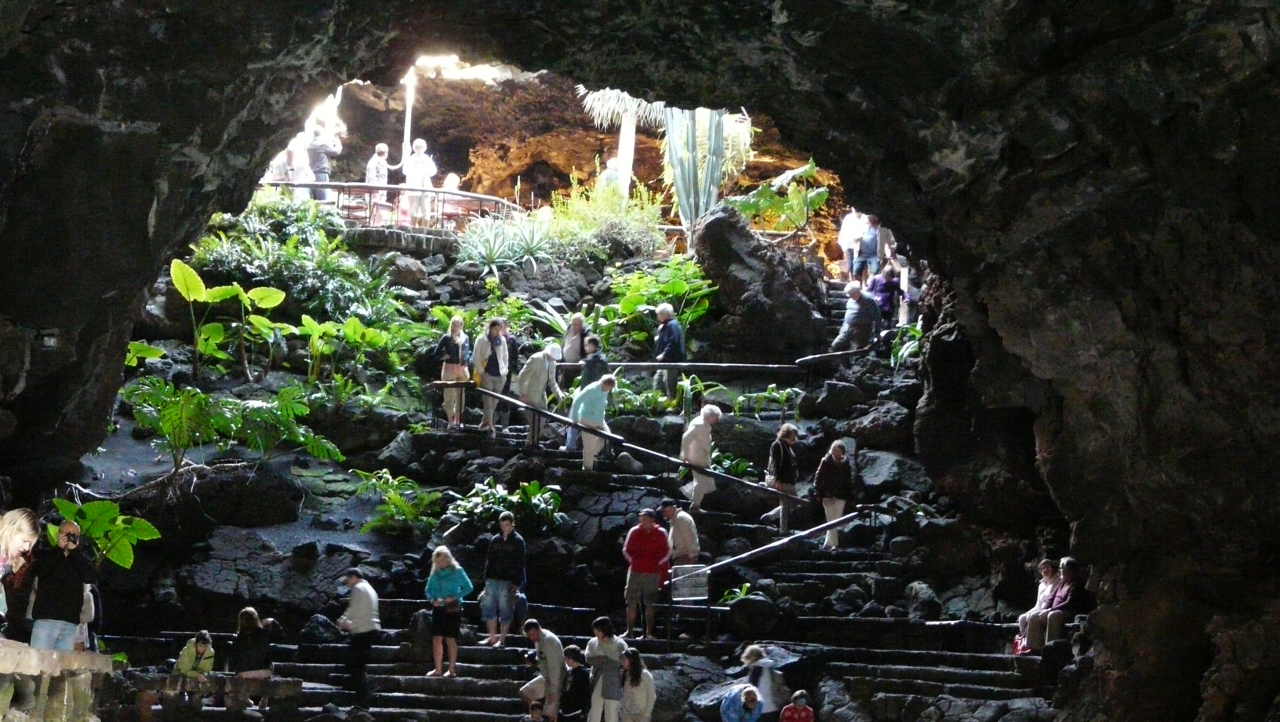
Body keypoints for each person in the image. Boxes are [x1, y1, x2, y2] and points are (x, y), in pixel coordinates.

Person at [29, 520, 97, 650]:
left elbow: (91, 577)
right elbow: (40, 571)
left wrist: (74, 552)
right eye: (67, 533)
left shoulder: (81, 558)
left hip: (70, 623)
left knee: (61, 668)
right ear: (59, 534)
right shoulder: (46, 554)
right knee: (38, 663)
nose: (70, 537)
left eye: (74, 535)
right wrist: (59, 550)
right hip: (46, 620)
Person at [1026, 557, 1093, 651]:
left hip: (1067, 612)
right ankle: (1033, 648)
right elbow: (1051, 598)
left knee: (1053, 615)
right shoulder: (1062, 583)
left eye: (1062, 568)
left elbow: (1069, 603)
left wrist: (1050, 610)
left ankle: (1050, 649)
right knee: (1034, 616)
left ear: (1070, 570)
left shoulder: (1076, 584)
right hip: (1054, 610)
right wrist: (1043, 609)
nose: (1060, 570)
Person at [425, 545, 473, 677]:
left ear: (448, 558)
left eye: (443, 560)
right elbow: (428, 590)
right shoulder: (435, 573)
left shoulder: (458, 571)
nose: (441, 563)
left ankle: (451, 669)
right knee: (436, 638)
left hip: (453, 608)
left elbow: (468, 587)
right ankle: (438, 669)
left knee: (450, 638)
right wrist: (432, 600)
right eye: (438, 561)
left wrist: (454, 597)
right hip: (438, 607)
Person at [481, 512, 526, 648]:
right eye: (502, 525)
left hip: (508, 581)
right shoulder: (495, 539)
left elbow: (520, 563)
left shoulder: (518, 541)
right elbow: (489, 560)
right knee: (489, 609)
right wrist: (486, 580)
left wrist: (517, 583)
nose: (504, 527)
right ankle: (492, 637)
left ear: (512, 524)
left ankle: (502, 639)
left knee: (506, 610)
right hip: (492, 579)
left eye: (507, 525)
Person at [622, 510, 669, 640]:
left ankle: (648, 633)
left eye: (645, 519)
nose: (642, 522)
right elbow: (626, 549)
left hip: (653, 572)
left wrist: (658, 564)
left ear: (652, 520)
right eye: (641, 519)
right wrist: (633, 562)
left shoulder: (661, 532)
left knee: (650, 603)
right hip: (635, 570)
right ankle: (629, 631)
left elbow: (667, 551)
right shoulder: (634, 531)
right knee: (631, 601)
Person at [336, 567, 380, 704]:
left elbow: (353, 609)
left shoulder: (358, 588)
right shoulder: (370, 588)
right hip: (371, 628)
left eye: (348, 580)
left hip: (362, 630)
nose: (347, 584)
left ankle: (365, 695)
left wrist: (342, 621)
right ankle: (365, 693)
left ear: (354, 577)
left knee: (355, 664)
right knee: (358, 664)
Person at [566, 336, 610, 451]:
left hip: (588, 394)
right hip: (593, 395)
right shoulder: (598, 360)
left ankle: (571, 445)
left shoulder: (594, 361)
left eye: (587, 345)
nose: (585, 347)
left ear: (593, 346)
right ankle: (604, 448)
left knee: (575, 416)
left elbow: (592, 377)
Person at [517, 341, 564, 448]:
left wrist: (559, 395)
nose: (553, 359)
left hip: (541, 397)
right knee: (535, 423)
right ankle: (529, 445)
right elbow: (522, 376)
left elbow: (552, 382)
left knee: (541, 423)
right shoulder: (536, 359)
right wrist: (523, 394)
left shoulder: (553, 363)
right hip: (530, 396)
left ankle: (530, 444)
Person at [570, 375, 617, 471]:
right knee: (588, 446)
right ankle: (587, 469)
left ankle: (593, 455)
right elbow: (577, 401)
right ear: (605, 384)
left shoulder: (606, 390)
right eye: (609, 388)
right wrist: (575, 419)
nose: (610, 390)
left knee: (607, 437)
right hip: (588, 419)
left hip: (599, 419)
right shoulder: (592, 389)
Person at [814, 440, 856, 549]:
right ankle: (835, 545)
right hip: (827, 495)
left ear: (842, 452)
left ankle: (827, 544)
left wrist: (850, 494)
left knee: (836, 520)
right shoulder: (826, 461)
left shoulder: (846, 464)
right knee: (830, 520)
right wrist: (818, 492)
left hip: (841, 495)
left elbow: (848, 480)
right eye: (833, 449)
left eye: (837, 450)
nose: (835, 452)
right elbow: (818, 477)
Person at [680, 404, 722, 513]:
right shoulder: (699, 424)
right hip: (697, 457)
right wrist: (685, 456)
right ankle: (694, 505)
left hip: (701, 456)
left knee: (707, 482)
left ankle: (693, 502)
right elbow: (686, 438)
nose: (717, 420)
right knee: (703, 481)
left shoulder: (703, 422)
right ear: (710, 416)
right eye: (716, 417)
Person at [0, 508, 38, 627]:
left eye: (30, 544)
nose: (26, 548)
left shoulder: (6, 559)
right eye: (24, 541)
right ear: (11, 530)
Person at [520, 620, 565, 720]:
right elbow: (541, 659)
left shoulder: (549, 641)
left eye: (533, 634)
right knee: (525, 692)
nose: (532, 638)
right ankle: (537, 717)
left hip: (556, 678)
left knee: (550, 713)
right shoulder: (538, 640)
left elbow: (555, 668)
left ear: (538, 629)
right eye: (529, 636)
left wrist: (553, 690)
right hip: (545, 676)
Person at [232, 607, 275, 710]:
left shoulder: (238, 637)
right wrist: (270, 621)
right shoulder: (264, 634)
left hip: (244, 673)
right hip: (263, 672)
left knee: (239, 669)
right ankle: (264, 698)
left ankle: (245, 697)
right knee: (271, 666)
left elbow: (236, 658)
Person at [164, 629, 214, 717]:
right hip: (180, 674)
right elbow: (184, 669)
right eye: (200, 645)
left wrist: (202, 675)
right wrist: (197, 674)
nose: (202, 649)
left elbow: (207, 668)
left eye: (205, 646)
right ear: (196, 644)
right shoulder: (187, 650)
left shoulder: (210, 652)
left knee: (198, 692)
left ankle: (196, 710)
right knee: (175, 694)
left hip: (196, 677)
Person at [585, 617, 626, 722]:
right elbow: (588, 658)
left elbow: (623, 662)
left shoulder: (619, 644)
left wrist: (605, 660)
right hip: (597, 678)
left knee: (611, 712)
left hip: (613, 681)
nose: (596, 633)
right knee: (595, 710)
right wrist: (604, 660)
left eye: (598, 631)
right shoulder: (592, 642)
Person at [472, 319, 509, 435]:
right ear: (490, 327)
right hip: (487, 373)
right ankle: (491, 426)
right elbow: (476, 356)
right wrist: (481, 371)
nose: (497, 331)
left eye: (499, 329)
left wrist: (505, 370)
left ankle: (484, 423)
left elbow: (505, 356)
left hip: (500, 374)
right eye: (495, 329)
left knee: (494, 402)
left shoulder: (502, 340)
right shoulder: (482, 339)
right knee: (488, 401)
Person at [437, 315, 472, 429]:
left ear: (462, 325)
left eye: (458, 324)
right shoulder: (446, 338)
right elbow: (435, 353)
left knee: (460, 396)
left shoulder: (465, 338)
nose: (456, 327)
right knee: (449, 396)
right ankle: (450, 421)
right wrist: (444, 356)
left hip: (462, 369)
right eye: (454, 324)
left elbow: (468, 352)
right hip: (449, 368)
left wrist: (467, 362)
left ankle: (458, 420)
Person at [829, 281, 881, 352]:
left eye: (851, 294)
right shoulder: (851, 300)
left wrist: (877, 333)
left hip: (861, 329)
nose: (849, 296)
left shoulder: (869, 300)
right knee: (836, 345)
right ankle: (841, 361)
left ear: (857, 292)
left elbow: (877, 316)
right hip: (847, 327)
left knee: (857, 351)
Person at [1017, 559, 1061, 642]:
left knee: (1031, 617)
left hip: (1048, 608)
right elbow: (1038, 604)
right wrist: (1027, 613)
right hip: (1039, 608)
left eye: (1047, 567)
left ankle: (1034, 643)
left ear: (1052, 568)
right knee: (1022, 618)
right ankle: (1024, 641)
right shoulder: (1041, 585)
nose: (1045, 570)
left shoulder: (1057, 581)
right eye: (1042, 568)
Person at [764, 425, 799, 525]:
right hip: (781, 480)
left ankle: (773, 520)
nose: (795, 438)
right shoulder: (777, 445)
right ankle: (771, 517)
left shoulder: (786, 446)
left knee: (788, 503)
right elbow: (777, 463)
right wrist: (778, 480)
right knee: (793, 502)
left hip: (786, 480)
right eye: (793, 435)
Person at [741, 645, 783, 721]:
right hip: (774, 706)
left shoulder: (756, 669)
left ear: (751, 657)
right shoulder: (769, 667)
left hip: (761, 709)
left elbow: (752, 690)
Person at [652, 303, 684, 398]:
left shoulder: (673, 325)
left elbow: (673, 342)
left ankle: (671, 405)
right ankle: (658, 403)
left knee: (669, 383)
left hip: (671, 360)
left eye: (659, 314)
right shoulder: (665, 326)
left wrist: (664, 354)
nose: (657, 316)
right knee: (658, 382)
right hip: (663, 362)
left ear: (665, 314)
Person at [403, 138, 438, 223]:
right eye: (417, 147)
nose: (419, 149)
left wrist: (425, 173)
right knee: (413, 211)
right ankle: (413, 230)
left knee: (425, 211)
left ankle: (424, 232)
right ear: (414, 148)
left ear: (424, 148)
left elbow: (433, 171)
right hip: (413, 189)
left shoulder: (426, 159)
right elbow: (405, 171)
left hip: (424, 188)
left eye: (421, 147)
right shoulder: (410, 159)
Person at [307, 125, 342, 201]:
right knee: (323, 199)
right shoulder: (322, 144)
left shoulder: (309, 145)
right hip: (321, 173)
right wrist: (337, 139)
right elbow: (336, 151)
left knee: (313, 199)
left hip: (310, 174)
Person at [851, 214, 890, 284]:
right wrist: (858, 238)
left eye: (872, 221)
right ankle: (858, 287)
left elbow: (887, 243)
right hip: (861, 254)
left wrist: (888, 253)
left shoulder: (881, 230)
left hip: (874, 255)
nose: (870, 223)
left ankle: (871, 286)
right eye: (869, 221)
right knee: (856, 271)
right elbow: (854, 239)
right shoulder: (862, 227)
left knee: (875, 271)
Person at [619, 648, 656, 722]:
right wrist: (622, 711)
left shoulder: (645, 675)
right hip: (627, 714)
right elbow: (623, 693)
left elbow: (652, 696)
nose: (622, 662)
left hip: (641, 715)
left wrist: (646, 715)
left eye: (624, 659)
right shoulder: (625, 674)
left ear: (632, 660)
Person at [658, 499, 699, 565]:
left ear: (673, 508)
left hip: (685, 557)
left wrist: (692, 556)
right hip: (681, 557)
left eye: (664, 510)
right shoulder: (675, 519)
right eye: (662, 511)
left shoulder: (681, 518)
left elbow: (689, 538)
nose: (663, 513)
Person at [836, 208, 869, 281]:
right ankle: (852, 281)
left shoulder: (866, 218)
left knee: (863, 265)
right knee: (851, 264)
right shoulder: (848, 218)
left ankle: (863, 282)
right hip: (850, 245)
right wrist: (844, 247)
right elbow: (844, 233)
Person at [561, 645, 592, 720]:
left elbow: (586, 694)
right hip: (566, 710)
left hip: (577, 712)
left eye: (566, 658)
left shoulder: (584, 673)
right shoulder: (569, 672)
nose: (565, 660)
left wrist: (584, 711)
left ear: (571, 658)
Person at [560, 313, 590, 388]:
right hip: (564, 364)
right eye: (573, 324)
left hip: (576, 367)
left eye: (576, 324)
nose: (574, 326)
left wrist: (584, 360)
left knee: (572, 386)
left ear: (582, 325)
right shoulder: (569, 328)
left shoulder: (586, 334)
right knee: (562, 384)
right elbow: (564, 342)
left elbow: (591, 350)